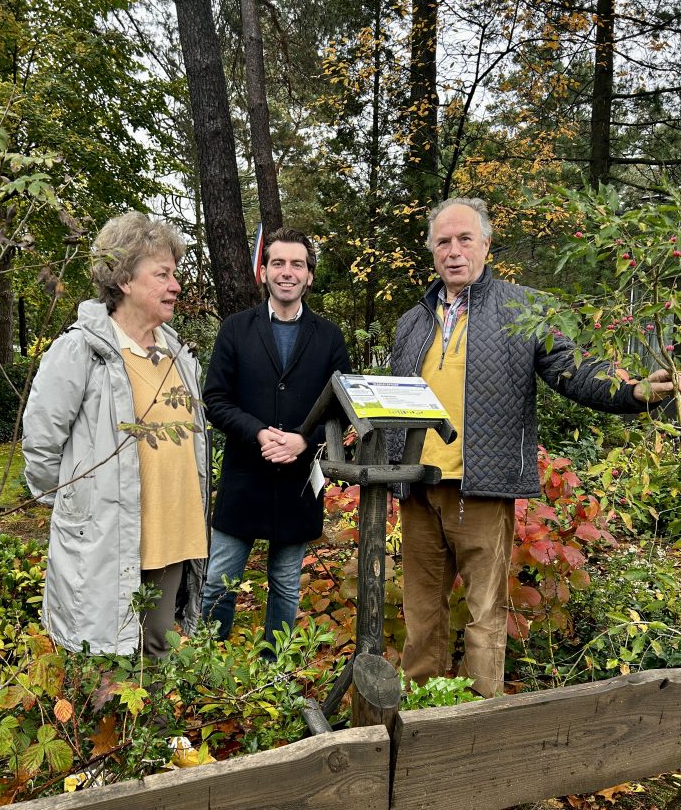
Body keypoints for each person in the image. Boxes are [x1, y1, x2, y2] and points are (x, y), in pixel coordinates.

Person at [388, 197, 678, 698]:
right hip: (417, 487)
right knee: (421, 616)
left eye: (464, 239)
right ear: (431, 250)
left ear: (486, 244)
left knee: (484, 617)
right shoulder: (412, 322)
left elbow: (574, 370)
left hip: (482, 485)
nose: (454, 251)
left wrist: (632, 391)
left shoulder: (523, 307)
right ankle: (419, 720)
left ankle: (481, 726)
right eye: (443, 241)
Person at [23, 212, 209, 657]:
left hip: (174, 534)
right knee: (104, 654)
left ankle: (154, 730)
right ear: (124, 279)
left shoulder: (178, 355)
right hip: (108, 536)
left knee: (158, 648)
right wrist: (76, 506)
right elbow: (41, 445)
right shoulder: (81, 350)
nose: (175, 285)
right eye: (162, 274)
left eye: (175, 274)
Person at [201, 227, 350, 647]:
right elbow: (215, 399)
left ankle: (275, 675)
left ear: (310, 276)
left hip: (298, 483)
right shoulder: (235, 330)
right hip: (244, 477)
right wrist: (258, 432)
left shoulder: (329, 337)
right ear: (263, 272)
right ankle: (208, 667)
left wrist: (306, 441)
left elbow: (344, 406)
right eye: (278, 263)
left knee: (285, 586)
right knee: (219, 583)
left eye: (297, 264)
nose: (287, 272)